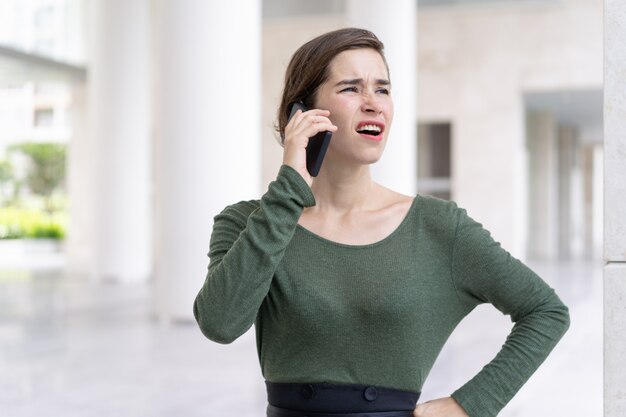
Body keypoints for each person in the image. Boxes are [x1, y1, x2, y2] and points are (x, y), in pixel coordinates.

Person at [193, 28, 570, 417]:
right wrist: (289, 189)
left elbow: (546, 311)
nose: (374, 104)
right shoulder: (247, 222)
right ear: (301, 114)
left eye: (383, 89)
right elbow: (220, 323)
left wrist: (469, 405)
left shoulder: (437, 226)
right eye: (351, 88)